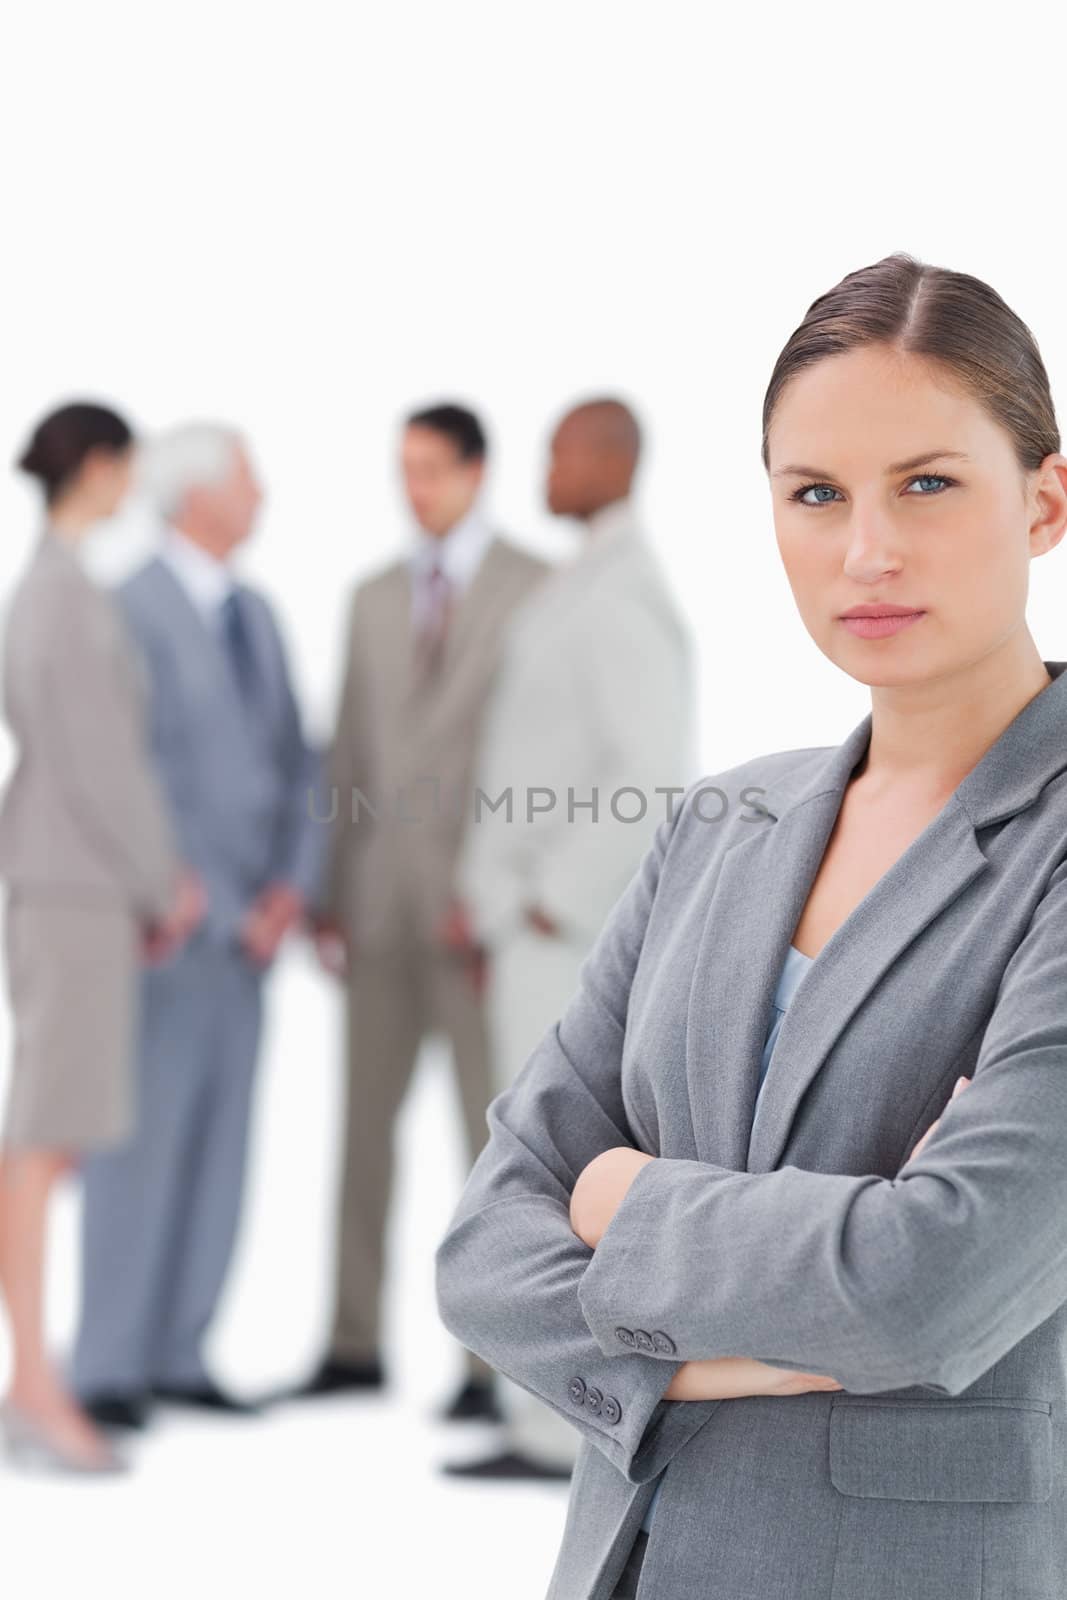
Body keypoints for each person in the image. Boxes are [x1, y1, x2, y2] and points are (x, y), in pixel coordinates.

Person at [436, 251, 1067, 1600]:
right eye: (815, 495)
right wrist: (722, 1350)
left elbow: (928, 1284)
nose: (865, 551)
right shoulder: (716, 825)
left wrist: (621, 1198)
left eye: (926, 483)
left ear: (1043, 499)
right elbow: (485, 1245)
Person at [444, 398, 693, 1480]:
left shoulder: (623, 594)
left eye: (558, 450)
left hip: (565, 939)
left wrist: (541, 897)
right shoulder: (580, 577)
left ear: (609, 459)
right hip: (528, 932)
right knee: (522, 1171)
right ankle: (531, 1404)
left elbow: (647, 775)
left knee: (548, 1176)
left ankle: (559, 1422)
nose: (543, 469)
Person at [298, 403, 549, 1418]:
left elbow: (535, 750)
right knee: (361, 1131)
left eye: (433, 470)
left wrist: (509, 895)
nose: (417, 490)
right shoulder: (367, 598)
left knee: (492, 1143)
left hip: (475, 914)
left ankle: (493, 1366)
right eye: (404, 471)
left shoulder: (534, 590)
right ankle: (351, 1341)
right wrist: (325, 891)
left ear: (477, 472)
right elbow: (345, 752)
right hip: (374, 909)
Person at [71, 423, 324, 1429]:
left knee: (223, 1141)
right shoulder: (125, 606)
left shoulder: (255, 611)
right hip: (166, 930)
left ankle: (180, 1349)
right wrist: (203, 898)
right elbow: (117, 773)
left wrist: (288, 890)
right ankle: (107, 1362)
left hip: (254, 937)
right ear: (196, 497)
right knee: (139, 1144)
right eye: (248, 480)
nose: (262, 494)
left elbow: (301, 759)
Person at [0, 402, 203, 1473]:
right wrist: (160, 883)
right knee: (40, 1140)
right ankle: (33, 1381)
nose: (134, 485)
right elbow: (96, 764)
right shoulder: (61, 593)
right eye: (125, 466)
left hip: (71, 885)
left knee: (51, 1134)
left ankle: (29, 1371)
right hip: (72, 886)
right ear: (95, 466)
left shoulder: (58, 583)